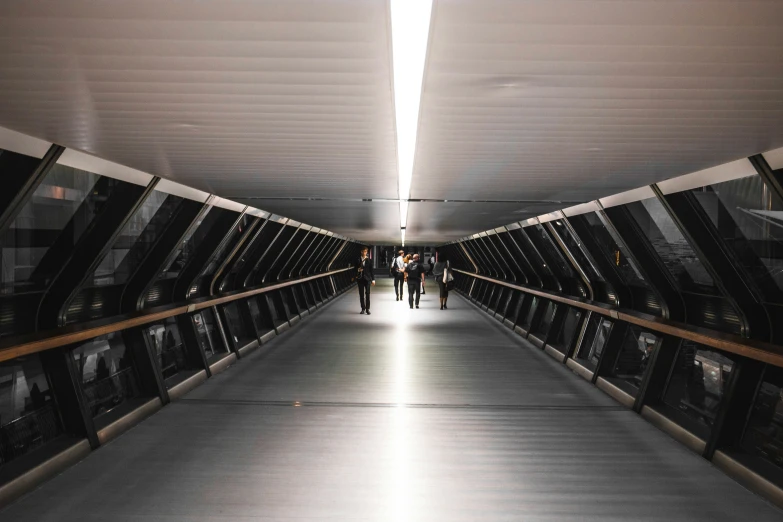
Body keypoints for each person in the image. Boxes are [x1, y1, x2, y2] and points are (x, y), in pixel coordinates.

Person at [355, 246, 375, 314]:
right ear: (361, 252)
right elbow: (354, 269)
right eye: (363, 251)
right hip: (360, 279)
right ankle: (363, 308)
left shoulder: (369, 260)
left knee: (368, 294)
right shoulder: (357, 259)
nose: (364, 253)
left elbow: (371, 270)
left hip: (367, 279)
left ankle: (367, 309)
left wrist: (373, 279)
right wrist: (358, 270)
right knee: (361, 294)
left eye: (366, 251)